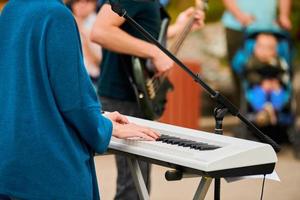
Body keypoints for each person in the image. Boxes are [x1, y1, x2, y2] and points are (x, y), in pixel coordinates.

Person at [0, 0, 159, 199]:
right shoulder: (56, 15)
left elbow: (26, 88)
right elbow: (74, 101)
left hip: (10, 162)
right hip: (50, 169)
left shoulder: (11, 9)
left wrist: (101, 118)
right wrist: (106, 127)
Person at [90, 1, 205, 199]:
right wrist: (154, 52)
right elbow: (100, 32)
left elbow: (139, 34)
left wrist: (179, 27)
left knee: (138, 183)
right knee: (133, 187)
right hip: (123, 97)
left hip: (135, 95)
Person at [221, 0, 292, 106]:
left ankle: (275, 108)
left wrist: (284, 15)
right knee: (242, 69)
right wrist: (239, 15)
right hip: (238, 26)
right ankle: (245, 111)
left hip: (268, 26)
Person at [242, 33, 289, 126]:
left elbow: (284, 73)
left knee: (279, 92)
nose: (264, 51)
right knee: (258, 92)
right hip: (259, 86)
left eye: (269, 48)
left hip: (275, 86)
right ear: (254, 48)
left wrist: (278, 82)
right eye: (260, 47)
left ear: (275, 51)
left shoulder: (278, 61)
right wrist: (261, 81)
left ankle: (273, 109)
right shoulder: (252, 61)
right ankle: (263, 111)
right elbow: (249, 74)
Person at [68, 0, 102, 85]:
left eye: (87, 1)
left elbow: (98, 60)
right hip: (73, 78)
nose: (81, 4)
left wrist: (82, 30)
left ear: (94, 4)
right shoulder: (67, 22)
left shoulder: (98, 25)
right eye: (77, 1)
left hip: (92, 80)